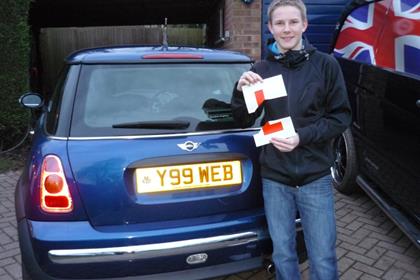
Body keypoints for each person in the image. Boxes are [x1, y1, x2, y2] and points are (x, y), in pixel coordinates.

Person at [231, 0, 352, 279]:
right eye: (280, 23)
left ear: (304, 25)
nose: (287, 29)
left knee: (322, 256)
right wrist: (239, 92)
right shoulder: (261, 70)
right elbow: (244, 120)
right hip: (275, 179)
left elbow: (340, 117)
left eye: (293, 22)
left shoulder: (326, 65)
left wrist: (302, 137)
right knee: (283, 253)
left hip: (315, 177)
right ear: (271, 27)